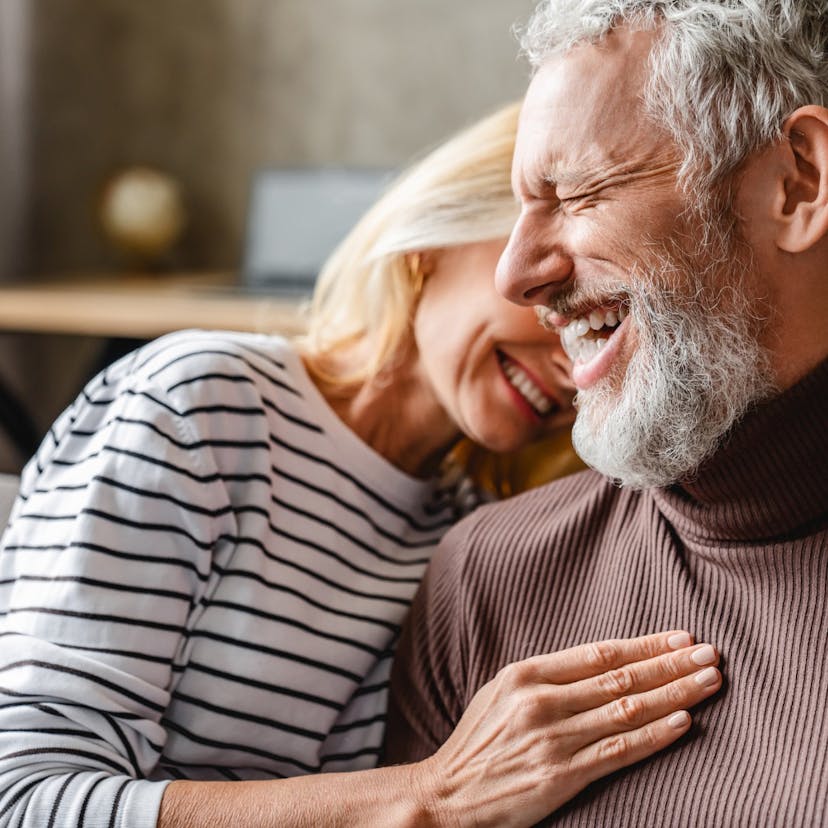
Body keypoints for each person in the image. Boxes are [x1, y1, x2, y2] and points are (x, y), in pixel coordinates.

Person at [0, 103, 722, 826]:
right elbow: (24, 798)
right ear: (433, 241)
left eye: (603, 327)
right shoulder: (200, 405)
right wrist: (431, 796)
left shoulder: (467, 531)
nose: (573, 372)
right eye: (550, 303)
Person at [386, 1, 828, 826]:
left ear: (796, 182)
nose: (515, 274)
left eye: (577, 193)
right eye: (522, 207)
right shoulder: (489, 577)